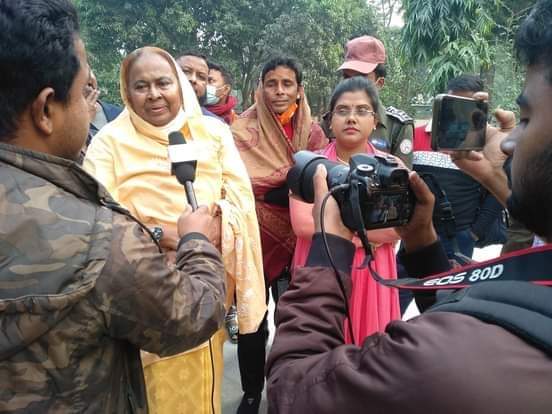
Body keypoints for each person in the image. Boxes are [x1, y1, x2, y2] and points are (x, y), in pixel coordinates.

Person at [266, 2, 552, 412]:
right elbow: (466, 302)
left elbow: (295, 389)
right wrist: (425, 244)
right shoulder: (526, 288)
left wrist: (331, 248)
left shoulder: (437, 359)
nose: (507, 142)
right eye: (343, 105)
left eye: (525, 118)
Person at [0, 1, 227, 412]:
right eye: (83, 91)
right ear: (47, 109)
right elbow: (193, 314)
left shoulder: (212, 135)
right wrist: (194, 241)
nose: (91, 105)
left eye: (164, 83)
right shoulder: (99, 237)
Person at [83, 46, 265, 413]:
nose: (154, 94)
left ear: (178, 86)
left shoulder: (212, 133)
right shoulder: (108, 143)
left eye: (163, 83)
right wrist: (158, 235)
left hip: (204, 282)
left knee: (203, 389)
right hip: (142, 291)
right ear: (126, 92)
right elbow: (94, 217)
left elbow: (241, 201)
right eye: (142, 86)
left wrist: (216, 226)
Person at [231, 56, 327, 413]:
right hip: (255, 239)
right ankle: (251, 391)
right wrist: (288, 183)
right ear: (261, 87)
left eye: (287, 84)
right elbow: (236, 181)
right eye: (271, 83)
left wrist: (284, 187)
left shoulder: (313, 133)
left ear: (299, 90)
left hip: (299, 241)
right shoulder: (240, 131)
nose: (279, 91)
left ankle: (287, 391)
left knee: (292, 320)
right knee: (252, 320)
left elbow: (321, 181)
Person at [289, 77, 400, 345]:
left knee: (369, 351)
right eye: (342, 110)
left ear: (374, 121)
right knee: (317, 346)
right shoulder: (309, 165)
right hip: (321, 264)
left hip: (371, 271)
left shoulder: (391, 167)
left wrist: (335, 228)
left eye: (362, 110)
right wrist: (368, 233)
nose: (351, 118)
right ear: (330, 120)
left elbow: (398, 227)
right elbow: (303, 225)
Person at [411, 75, 506, 260]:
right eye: (453, 103)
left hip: (460, 237)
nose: (458, 112)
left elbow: (496, 195)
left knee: (457, 280)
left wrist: (474, 233)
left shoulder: (484, 144)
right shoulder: (415, 135)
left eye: (467, 106)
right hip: (417, 232)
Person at [324, 35, 414, 168]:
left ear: (380, 83)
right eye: (347, 77)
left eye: (361, 78)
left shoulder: (397, 126)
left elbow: (400, 175)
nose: (354, 84)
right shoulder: (330, 121)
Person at [176, 51, 222, 120]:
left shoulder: (215, 124)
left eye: (201, 77)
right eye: (185, 71)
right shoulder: (158, 116)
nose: (193, 79)